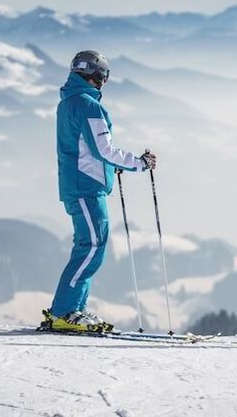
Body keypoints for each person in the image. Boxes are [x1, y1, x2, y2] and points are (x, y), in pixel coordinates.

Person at [42, 50, 156, 332]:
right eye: (104, 76)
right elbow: (102, 149)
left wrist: (107, 167)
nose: (104, 82)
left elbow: (82, 148)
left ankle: (74, 309)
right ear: (97, 75)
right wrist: (138, 164)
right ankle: (64, 311)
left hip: (78, 183)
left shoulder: (68, 102)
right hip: (86, 188)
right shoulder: (89, 106)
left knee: (88, 246)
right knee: (92, 247)